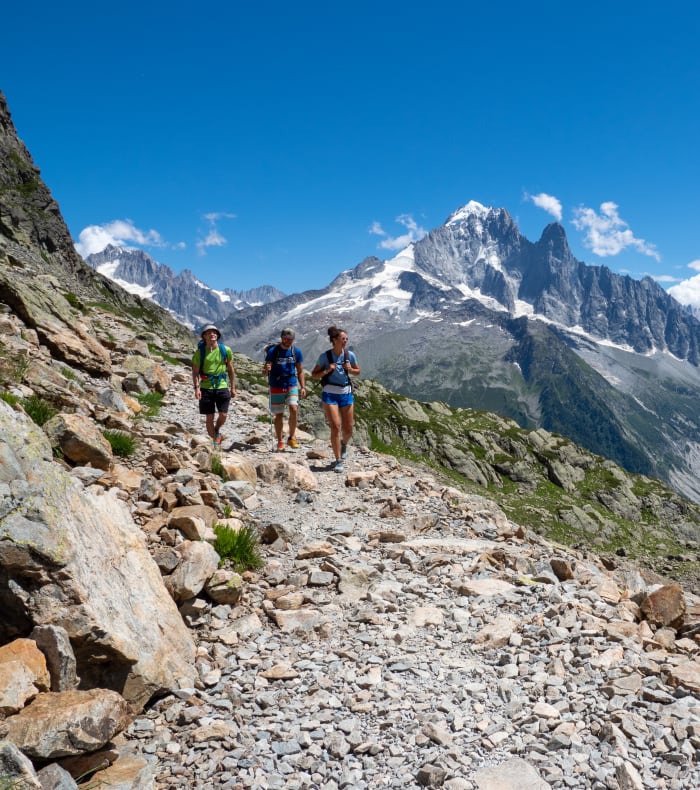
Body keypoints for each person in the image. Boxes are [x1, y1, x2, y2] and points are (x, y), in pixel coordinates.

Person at [311, 325, 360, 473]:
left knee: (348, 429)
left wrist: (350, 369)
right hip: (330, 393)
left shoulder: (349, 355)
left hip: (346, 393)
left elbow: (358, 371)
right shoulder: (325, 357)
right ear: (334, 340)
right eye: (343, 339)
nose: (345, 341)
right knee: (336, 426)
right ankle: (339, 460)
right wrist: (327, 370)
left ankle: (343, 444)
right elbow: (314, 375)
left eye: (346, 339)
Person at [262, 327, 307, 451]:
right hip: (276, 385)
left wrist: (303, 387)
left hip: (291, 383)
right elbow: (264, 372)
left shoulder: (296, 352)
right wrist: (266, 369)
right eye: (286, 338)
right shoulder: (273, 351)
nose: (288, 341)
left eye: (290, 339)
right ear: (282, 338)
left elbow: (300, 371)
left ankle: (292, 437)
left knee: (294, 408)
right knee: (279, 414)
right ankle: (280, 441)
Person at [191, 324, 236, 447]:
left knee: (223, 415)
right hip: (206, 387)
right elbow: (195, 372)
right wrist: (196, 388)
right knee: (209, 417)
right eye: (209, 333)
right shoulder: (199, 353)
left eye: (214, 332)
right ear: (204, 336)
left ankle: (216, 429)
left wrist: (233, 387)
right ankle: (216, 440)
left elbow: (231, 369)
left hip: (222, 385)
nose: (212, 334)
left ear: (217, 336)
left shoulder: (225, 350)